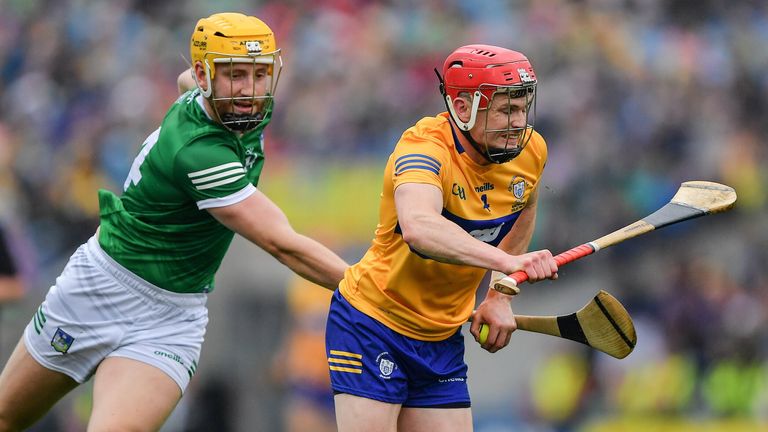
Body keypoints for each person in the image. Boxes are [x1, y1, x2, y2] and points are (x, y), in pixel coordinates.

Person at [0, 12, 347, 431]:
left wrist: (211, 74)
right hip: (99, 287)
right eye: (235, 75)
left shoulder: (233, 102)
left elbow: (187, 82)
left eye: (259, 74)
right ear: (206, 75)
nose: (250, 91)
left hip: (171, 316)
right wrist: (376, 293)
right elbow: (283, 244)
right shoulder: (198, 151)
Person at [325, 44, 559, 432]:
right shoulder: (423, 148)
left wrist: (499, 294)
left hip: (440, 337)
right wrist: (506, 263)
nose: (519, 122)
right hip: (372, 324)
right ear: (463, 108)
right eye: (505, 110)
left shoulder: (531, 151)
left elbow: (524, 211)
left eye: (522, 109)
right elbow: (419, 227)